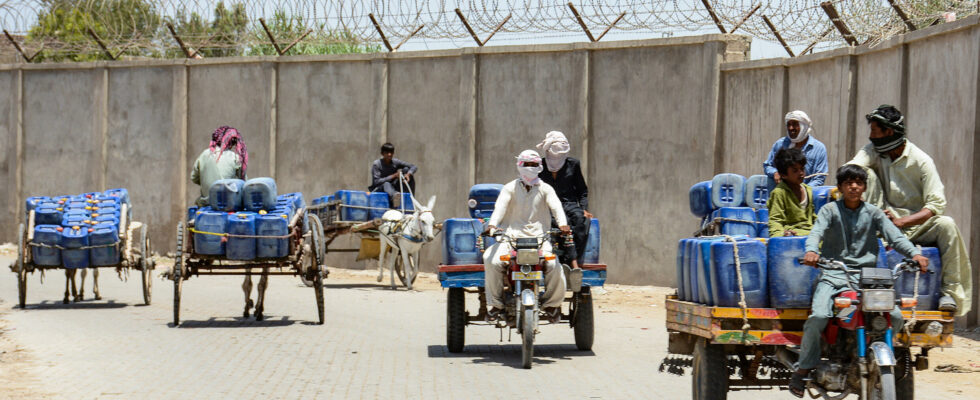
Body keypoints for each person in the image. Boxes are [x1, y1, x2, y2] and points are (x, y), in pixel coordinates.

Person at [791, 164, 929, 398]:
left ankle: (874, 356)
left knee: (894, 316)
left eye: (858, 182)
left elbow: (895, 237)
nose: (854, 187)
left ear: (864, 186)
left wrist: (914, 254)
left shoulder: (874, 213)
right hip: (835, 274)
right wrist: (812, 251)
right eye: (848, 183)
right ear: (841, 187)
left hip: (869, 278)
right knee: (819, 317)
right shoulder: (829, 211)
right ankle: (804, 367)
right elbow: (817, 232)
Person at [848, 105, 971, 315]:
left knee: (947, 225)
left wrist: (902, 222)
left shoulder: (922, 161)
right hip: (882, 226)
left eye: (875, 131)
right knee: (862, 174)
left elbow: (936, 205)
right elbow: (850, 168)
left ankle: (948, 293)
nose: (871, 137)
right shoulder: (874, 151)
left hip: (915, 226)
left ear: (889, 132)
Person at [483, 150, 571, 323]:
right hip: (510, 237)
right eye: (527, 165)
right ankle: (496, 305)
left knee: (554, 265)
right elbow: (500, 208)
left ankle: (552, 305)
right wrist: (493, 225)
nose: (530, 169)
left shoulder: (546, 189)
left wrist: (562, 224)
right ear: (519, 166)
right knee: (491, 260)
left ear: (540, 166)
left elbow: (557, 207)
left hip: (540, 238)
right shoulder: (509, 188)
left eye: (534, 165)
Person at [536, 131, 590, 287]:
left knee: (580, 222)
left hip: (569, 204)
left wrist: (584, 208)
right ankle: (562, 262)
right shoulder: (539, 166)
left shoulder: (573, 164)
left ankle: (573, 261)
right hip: (548, 206)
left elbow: (582, 190)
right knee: (558, 224)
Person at [762, 110, 829, 186]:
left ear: (804, 126)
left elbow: (819, 178)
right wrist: (775, 172)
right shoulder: (780, 144)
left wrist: (802, 191)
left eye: (794, 124)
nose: (791, 128)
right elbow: (768, 165)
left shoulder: (818, 148)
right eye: (788, 124)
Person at [191, 126, 247, 207]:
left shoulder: (204, 154)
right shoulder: (234, 157)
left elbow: (194, 178)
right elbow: (244, 184)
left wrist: (206, 180)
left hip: (206, 203)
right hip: (228, 204)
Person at [767, 148, 815, 237]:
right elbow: (775, 221)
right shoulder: (779, 193)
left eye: (802, 168)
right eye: (795, 170)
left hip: (811, 236)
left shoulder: (808, 190)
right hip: (793, 238)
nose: (801, 173)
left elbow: (812, 217)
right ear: (783, 175)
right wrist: (782, 234)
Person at [369, 143, 417, 209]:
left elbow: (413, 166)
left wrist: (408, 174)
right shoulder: (377, 164)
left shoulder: (395, 162)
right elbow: (376, 182)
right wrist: (393, 176)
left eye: (391, 152)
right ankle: (395, 200)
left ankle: (409, 198)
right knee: (386, 184)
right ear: (382, 153)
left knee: (406, 170)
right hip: (379, 189)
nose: (389, 154)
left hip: (393, 188)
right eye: (387, 152)